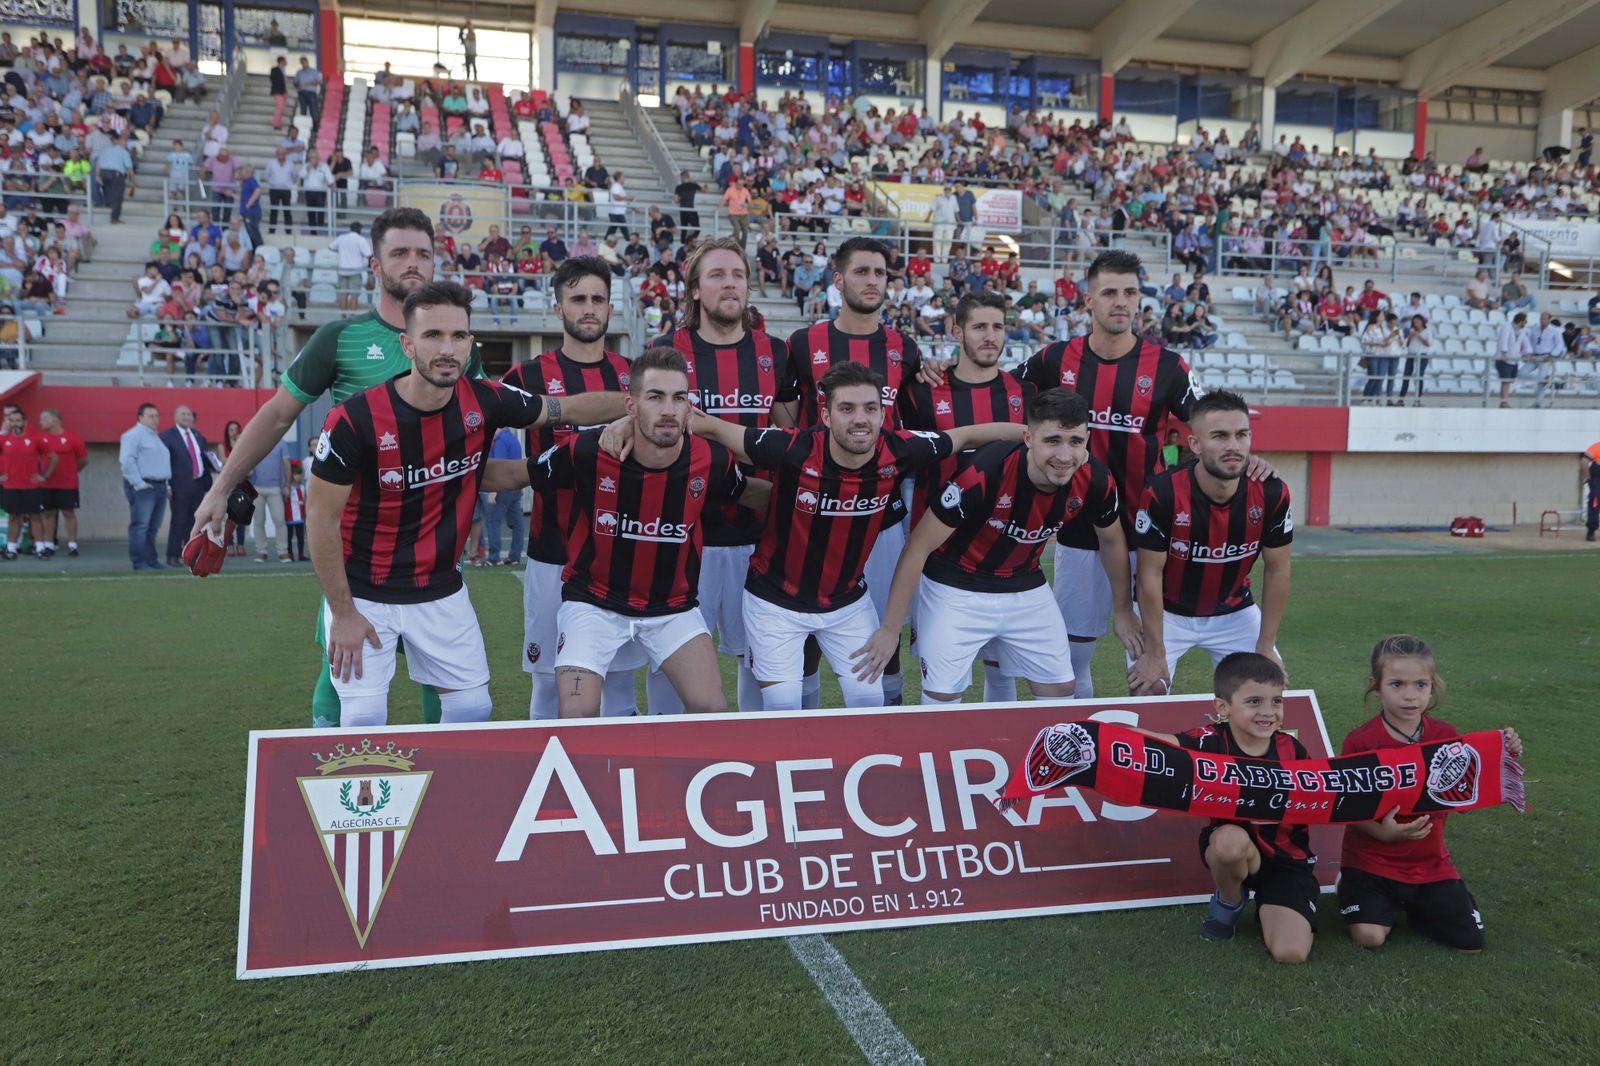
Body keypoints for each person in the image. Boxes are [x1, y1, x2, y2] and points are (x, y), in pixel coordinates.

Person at [190, 208, 487, 729]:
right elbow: (279, 414)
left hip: (433, 546)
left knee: (446, 682)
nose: (413, 263)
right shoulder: (339, 337)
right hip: (356, 548)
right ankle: (334, 785)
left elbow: (477, 427)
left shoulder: (458, 345)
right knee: (343, 669)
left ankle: (447, 791)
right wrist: (222, 487)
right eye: (399, 253)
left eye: (423, 252)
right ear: (375, 265)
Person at [308, 281, 611, 727]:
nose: (447, 349)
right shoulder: (354, 419)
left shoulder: (485, 400)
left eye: (458, 337)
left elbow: (566, 409)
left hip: (441, 590)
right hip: (365, 594)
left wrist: (635, 408)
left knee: (472, 710)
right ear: (407, 345)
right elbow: (320, 517)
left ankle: (447, 796)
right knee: (363, 720)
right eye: (433, 336)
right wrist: (345, 613)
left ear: (470, 344)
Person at [689, 361, 1023, 710]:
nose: (860, 419)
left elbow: (967, 436)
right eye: (846, 409)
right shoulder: (792, 448)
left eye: (870, 408)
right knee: (782, 706)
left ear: (882, 414)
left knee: (868, 701)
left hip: (847, 603)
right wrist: (625, 425)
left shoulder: (899, 449)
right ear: (827, 415)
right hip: (775, 601)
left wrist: (1035, 436)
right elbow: (708, 426)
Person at [488, 347, 767, 716]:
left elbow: (749, 493)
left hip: (671, 608)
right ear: (631, 406)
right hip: (593, 602)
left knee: (711, 709)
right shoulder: (588, 450)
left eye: (678, 398)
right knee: (576, 713)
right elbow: (514, 475)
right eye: (655, 397)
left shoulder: (710, 459)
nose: (668, 409)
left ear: (690, 408)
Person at [856, 388, 1135, 703]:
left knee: (1060, 692)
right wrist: (891, 629)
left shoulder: (1096, 478)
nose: (1064, 456)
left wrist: (1123, 609)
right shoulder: (985, 473)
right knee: (941, 699)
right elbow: (917, 547)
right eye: (1052, 441)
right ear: (1028, 438)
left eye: (1075, 442)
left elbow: (1111, 539)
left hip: (1024, 583)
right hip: (955, 584)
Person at [1015, 249, 1208, 699]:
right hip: (1078, 530)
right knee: (1070, 657)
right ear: (1088, 300)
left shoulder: (1168, 367)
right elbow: (999, 392)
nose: (1121, 302)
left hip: (1149, 534)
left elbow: (1209, 426)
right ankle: (1079, 756)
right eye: (1109, 293)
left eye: (1130, 293)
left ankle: (1144, 761)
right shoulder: (1054, 360)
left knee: (1148, 664)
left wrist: (1247, 456)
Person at [779, 236, 951, 706]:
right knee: (808, 628)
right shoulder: (802, 343)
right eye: (861, 271)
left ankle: (889, 720)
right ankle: (806, 727)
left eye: (880, 273)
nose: (872, 280)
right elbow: (785, 416)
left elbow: (912, 423)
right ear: (838, 280)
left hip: (882, 512)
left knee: (881, 623)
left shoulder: (904, 346)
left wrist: (932, 368)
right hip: (813, 511)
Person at [642, 237, 793, 713]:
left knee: (762, 661)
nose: (729, 284)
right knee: (670, 660)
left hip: (761, 535)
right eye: (716, 275)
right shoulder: (666, 349)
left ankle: (752, 759)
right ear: (693, 289)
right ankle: (665, 761)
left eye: (738, 275)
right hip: (684, 534)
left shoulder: (777, 351)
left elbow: (791, 438)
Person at [500, 256, 641, 720]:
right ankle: (550, 786)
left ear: (610, 309)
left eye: (598, 299)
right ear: (558, 307)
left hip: (620, 554)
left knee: (620, 688)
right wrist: (539, 468)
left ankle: (623, 786)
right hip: (552, 551)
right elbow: (485, 451)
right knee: (546, 685)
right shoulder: (525, 378)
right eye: (577, 298)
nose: (589, 308)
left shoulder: (634, 376)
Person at [893, 290, 1036, 700]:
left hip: (1004, 554)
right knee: (939, 679)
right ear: (957, 331)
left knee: (1002, 672)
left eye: (997, 326)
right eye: (979, 327)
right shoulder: (921, 391)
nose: (990, 336)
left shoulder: (1023, 392)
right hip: (939, 557)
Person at [1339, 635, 1523, 952]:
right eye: (1397, 684)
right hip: (1370, 861)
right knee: (1369, 937)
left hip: (1429, 863)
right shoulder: (1360, 742)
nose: (1410, 696)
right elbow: (1345, 809)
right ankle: (1356, 890)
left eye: (1420, 685)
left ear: (1432, 686)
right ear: (1375, 685)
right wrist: (1383, 833)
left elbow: (1466, 794)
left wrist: (1503, 752)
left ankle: (1422, 906)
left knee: (1470, 943)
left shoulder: (1446, 737)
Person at [1132, 653, 1317, 962]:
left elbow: (1329, 794)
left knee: (1291, 953)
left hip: (1286, 862)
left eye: (1276, 701)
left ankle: (1276, 905)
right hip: (1234, 847)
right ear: (1222, 707)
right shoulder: (1211, 741)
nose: (1268, 712)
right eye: (1254, 702)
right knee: (1229, 841)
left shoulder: (1293, 750)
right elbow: (1159, 744)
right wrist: (1096, 736)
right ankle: (1229, 903)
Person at [1130, 390, 1292, 695]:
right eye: (1219, 436)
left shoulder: (1272, 492)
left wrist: (1266, 645)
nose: (1233, 446)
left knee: (1268, 690)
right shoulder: (1162, 493)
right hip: (1167, 612)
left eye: (1241, 435)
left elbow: (1278, 570)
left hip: (1234, 612)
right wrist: (1154, 651)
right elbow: (1149, 576)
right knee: (1148, 688)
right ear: (1195, 444)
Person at [160, 404, 218, 568]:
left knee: (195, 522)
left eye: (189, 414)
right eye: (183, 414)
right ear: (175, 417)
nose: (187, 417)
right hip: (178, 485)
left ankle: (190, 554)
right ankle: (172, 555)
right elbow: (163, 462)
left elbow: (204, 458)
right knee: (178, 520)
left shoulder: (198, 436)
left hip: (198, 485)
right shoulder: (167, 436)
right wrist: (167, 486)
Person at [119, 402, 171, 570]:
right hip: (144, 487)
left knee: (152, 528)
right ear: (140, 417)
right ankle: (139, 562)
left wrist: (167, 486)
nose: (155, 419)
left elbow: (161, 464)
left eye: (157, 416)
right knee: (140, 527)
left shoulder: (155, 437)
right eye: (151, 416)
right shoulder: (133, 435)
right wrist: (139, 484)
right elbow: (127, 461)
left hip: (159, 487)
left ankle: (151, 560)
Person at [1, 406, 55, 559]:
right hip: (11, 486)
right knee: (13, 518)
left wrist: (44, 476)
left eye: (18, 420)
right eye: (12, 421)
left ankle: (40, 548)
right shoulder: (3, 440)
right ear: (8, 423)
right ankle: (11, 549)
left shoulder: (35, 439)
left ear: (24, 422)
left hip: (31, 486)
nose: (15, 423)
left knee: (35, 517)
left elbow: (53, 458)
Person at [36, 409, 87, 557]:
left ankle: (72, 545)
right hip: (47, 484)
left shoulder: (72, 438)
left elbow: (83, 460)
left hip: (68, 484)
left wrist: (71, 472)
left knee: (68, 513)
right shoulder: (40, 439)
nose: (40, 422)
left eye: (43, 419)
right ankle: (49, 544)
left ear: (54, 420)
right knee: (48, 514)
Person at [247, 430, 294, 561]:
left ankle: (283, 551)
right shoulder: (255, 443)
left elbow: (287, 465)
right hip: (256, 488)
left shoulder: (281, 443)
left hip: (275, 488)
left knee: (279, 520)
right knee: (258, 521)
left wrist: (287, 486)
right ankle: (261, 551)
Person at [482, 427, 525, 564]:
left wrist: (493, 490)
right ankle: (515, 556)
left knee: (492, 521)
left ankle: (494, 557)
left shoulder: (500, 440)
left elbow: (498, 467)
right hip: (515, 488)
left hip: (503, 488)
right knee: (518, 524)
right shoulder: (513, 439)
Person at [329, 222, 373, 312]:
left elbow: (331, 247)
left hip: (342, 270)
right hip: (355, 271)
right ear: (360, 230)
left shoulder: (342, 238)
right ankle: (352, 317)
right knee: (354, 295)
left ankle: (343, 317)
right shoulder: (361, 240)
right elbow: (369, 255)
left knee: (343, 294)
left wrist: (341, 251)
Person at [1495, 311, 1531, 408]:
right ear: (1521, 321)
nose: (1525, 324)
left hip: (1513, 359)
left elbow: (1525, 342)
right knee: (1505, 380)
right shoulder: (1507, 327)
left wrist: (1529, 352)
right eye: (1525, 321)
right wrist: (1504, 352)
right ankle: (1503, 401)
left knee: (1509, 381)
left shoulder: (1521, 331)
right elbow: (1503, 339)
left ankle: (1505, 400)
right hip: (1504, 359)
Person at [284, 463, 307, 560]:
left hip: (300, 517)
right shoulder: (288, 488)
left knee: (300, 537)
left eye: (299, 474)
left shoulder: (302, 487)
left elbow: (305, 500)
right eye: (296, 474)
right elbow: (285, 500)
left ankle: (301, 554)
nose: (298, 476)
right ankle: (290, 554)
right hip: (289, 516)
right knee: (289, 537)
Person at [1583, 440, 1600, 542]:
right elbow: (1584, 461)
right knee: (1595, 501)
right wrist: (1588, 478)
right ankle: (1591, 531)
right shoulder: (1597, 447)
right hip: (1597, 478)